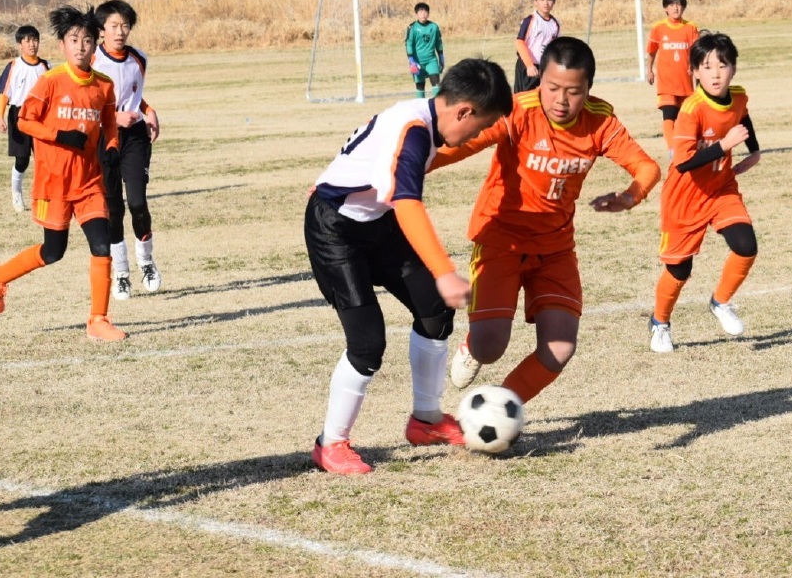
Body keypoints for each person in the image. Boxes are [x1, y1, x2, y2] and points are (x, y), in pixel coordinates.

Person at [304, 57, 513, 474]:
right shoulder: (413, 130)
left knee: (434, 312)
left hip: (376, 223)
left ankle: (426, 420)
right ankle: (331, 444)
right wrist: (444, 272)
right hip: (336, 230)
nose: (475, 136)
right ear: (464, 112)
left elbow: (401, 167)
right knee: (367, 343)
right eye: (479, 127)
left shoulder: (427, 122)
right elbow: (407, 204)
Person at [437, 37, 661, 405]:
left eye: (573, 91)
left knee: (560, 347)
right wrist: (407, 168)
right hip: (501, 241)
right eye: (552, 87)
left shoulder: (600, 121)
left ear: (588, 88)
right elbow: (461, 145)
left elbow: (647, 167)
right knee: (490, 347)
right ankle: (473, 346)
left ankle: (499, 408)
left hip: (554, 248)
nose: (561, 100)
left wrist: (630, 196)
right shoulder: (518, 111)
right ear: (539, 78)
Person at [0, 6, 125, 341]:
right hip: (54, 185)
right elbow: (23, 121)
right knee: (53, 252)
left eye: (87, 40)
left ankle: (98, 320)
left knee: (101, 245)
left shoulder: (103, 85)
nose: (80, 46)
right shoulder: (50, 81)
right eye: (74, 40)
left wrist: (113, 147)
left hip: (89, 183)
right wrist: (60, 135)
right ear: (62, 45)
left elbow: (109, 123)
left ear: (95, 44)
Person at [648, 31, 762, 354]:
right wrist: (724, 145)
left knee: (746, 246)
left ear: (734, 69)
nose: (715, 74)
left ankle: (720, 302)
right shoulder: (691, 109)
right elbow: (683, 162)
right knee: (680, 269)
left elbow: (742, 115)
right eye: (707, 66)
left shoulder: (738, 96)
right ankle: (659, 323)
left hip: (721, 187)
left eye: (722, 65)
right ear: (694, 71)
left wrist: (754, 150)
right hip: (684, 196)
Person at [91, 0, 162, 300]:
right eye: (113, 26)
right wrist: (113, 118)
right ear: (102, 29)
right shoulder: (91, 60)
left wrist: (149, 110)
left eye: (125, 25)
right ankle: (121, 272)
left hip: (134, 137)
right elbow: (85, 104)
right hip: (102, 137)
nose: (120, 31)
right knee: (112, 209)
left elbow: (133, 94)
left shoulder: (139, 59)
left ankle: (146, 261)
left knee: (137, 202)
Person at [0, 25, 50, 213]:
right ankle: (16, 193)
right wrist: (0, 117)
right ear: (20, 44)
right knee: (22, 160)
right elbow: (4, 94)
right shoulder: (14, 66)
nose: (32, 44)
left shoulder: (46, 66)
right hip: (19, 115)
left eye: (35, 40)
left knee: (44, 159)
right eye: (28, 40)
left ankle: (43, 196)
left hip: (41, 116)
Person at [645, 0, 698, 152]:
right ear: (665, 8)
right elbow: (652, 51)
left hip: (685, 83)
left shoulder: (690, 28)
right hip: (666, 82)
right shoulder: (658, 28)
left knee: (682, 119)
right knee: (668, 114)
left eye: (679, 5)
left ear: (684, 7)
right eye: (672, 5)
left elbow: (696, 53)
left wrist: (696, 72)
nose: (676, 8)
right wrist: (649, 70)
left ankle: (683, 148)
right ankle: (672, 150)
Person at [512, 0, 560, 93]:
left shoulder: (555, 23)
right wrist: (529, 65)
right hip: (528, 67)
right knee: (524, 98)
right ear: (535, 2)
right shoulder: (530, 20)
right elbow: (519, 42)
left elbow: (555, 47)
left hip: (544, 68)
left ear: (554, 2)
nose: (546, 3)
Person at [404, 2, 444, 98]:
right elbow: (409, 44)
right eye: (421, 12)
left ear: (428, 14)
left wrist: (441, 58)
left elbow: (438, 43)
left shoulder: (434, 27)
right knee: (420, 87)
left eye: (426, 11)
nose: (423, 14)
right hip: (418, 62)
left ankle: (436, 106)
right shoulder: (412, 28)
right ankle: (420, 105)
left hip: (431, 60)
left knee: (436, 84)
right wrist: (412, 61)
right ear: (416, 14)